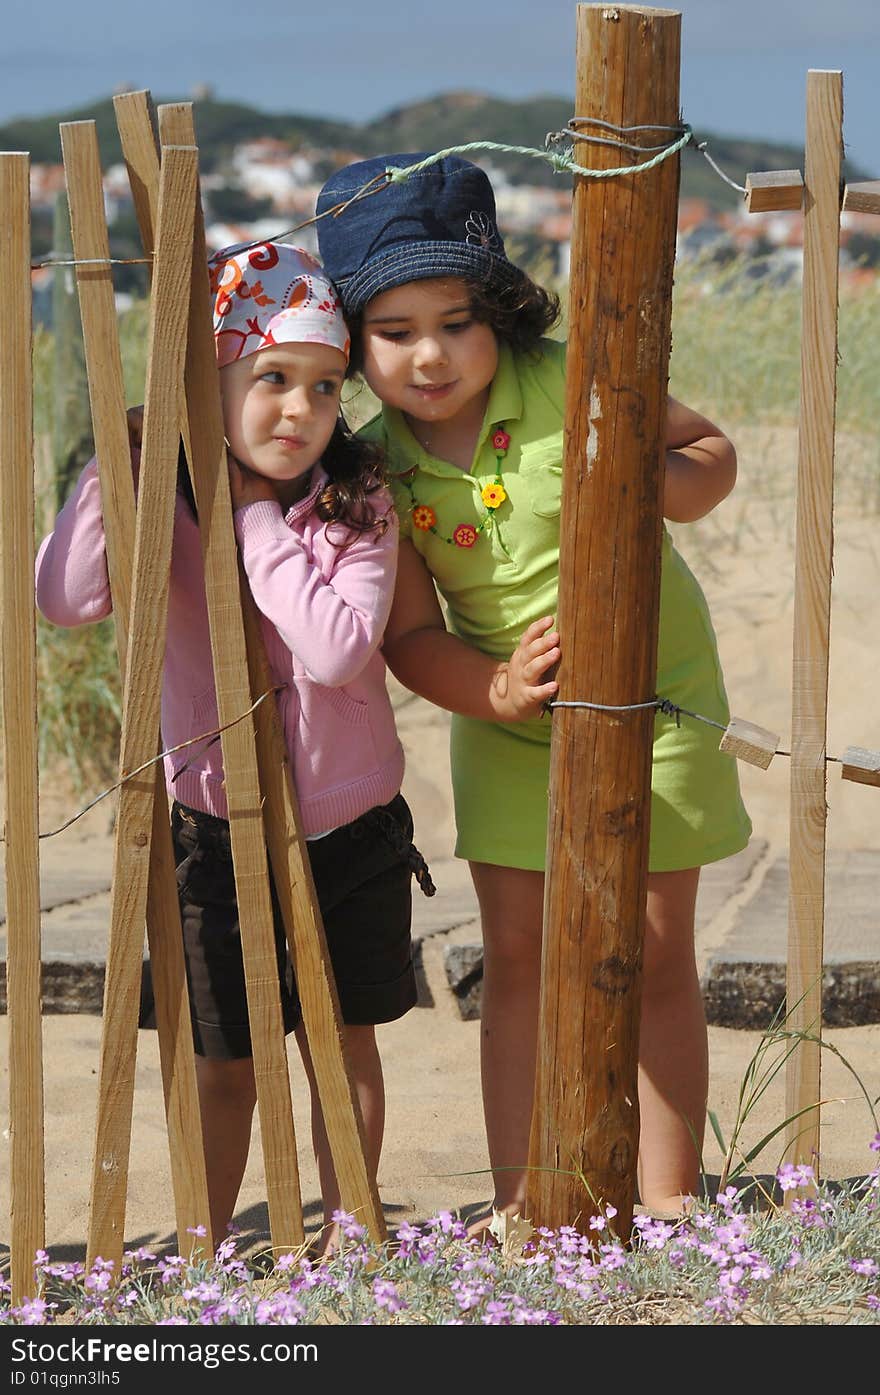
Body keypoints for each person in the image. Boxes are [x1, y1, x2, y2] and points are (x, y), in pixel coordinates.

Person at [315, 154, 752, 1226]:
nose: (429, 354)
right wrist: (497, 690)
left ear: (498, 312)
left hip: (659, 705)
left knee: (650, 953)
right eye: (394, 329)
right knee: (512, 959)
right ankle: (524, 1196)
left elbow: (708, 451)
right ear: (353, 344)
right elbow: (411, 636)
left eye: (454, 321)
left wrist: (660, 480)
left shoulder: (577, 374)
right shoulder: (374, 468)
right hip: (506, 724)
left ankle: (665, 1195)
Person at [36, 241, 429, 1254]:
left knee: (344, 1048)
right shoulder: (157, 499)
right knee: (224, 1061)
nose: (299, 410)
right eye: (269, 380)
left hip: (352, 828)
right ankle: (208, 1246)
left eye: (324, 386)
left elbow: (338, 649)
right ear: (205, 386)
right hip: (212, 828)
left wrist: (257, 521)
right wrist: (117, 463)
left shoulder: (355, 502)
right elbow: (67, 598)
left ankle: (350, 1235)